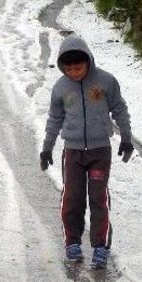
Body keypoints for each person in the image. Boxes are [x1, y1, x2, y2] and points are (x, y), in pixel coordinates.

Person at [39, 34, 133, 269]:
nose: (74, 73)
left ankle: (100, 246)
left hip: (100, 151)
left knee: (98, 198)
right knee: (72, 198)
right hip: (73, 153)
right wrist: (47, 148)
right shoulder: (60, 88)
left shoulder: (106, 81)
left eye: (78, 68)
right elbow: (54, 119)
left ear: (88, 61)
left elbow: (119, 109)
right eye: (68, 69)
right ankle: (72, 242)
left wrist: (126, 138)